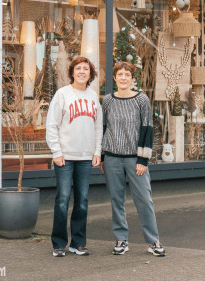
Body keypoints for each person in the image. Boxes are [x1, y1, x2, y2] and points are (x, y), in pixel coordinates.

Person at [101, 62, 166, 257]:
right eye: (119, 74)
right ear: (114, 78)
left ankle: (153, 241)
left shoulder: (141, 100)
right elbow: (104, 129)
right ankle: (121, 239)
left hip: (135, 160)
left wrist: (143, 160)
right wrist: (104, 157)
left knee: (144, 199)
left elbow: (147, 129)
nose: (123, 77)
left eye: (126, 74)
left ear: (132, 78)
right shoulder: (108, 101)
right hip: (112, 158)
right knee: (116, 200)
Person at [46, 56, 102, 257]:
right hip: (65, 157)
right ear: (72, 72)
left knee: (82, 200)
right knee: (62, 199)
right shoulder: (62, 94)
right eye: (78, 68)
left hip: (86, 157)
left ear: (90, 74)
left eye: (85, 69)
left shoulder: (93, 96)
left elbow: (98, 126)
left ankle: (77, 243)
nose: (82, 71)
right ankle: (59, 243)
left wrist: (97, 152)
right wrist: (56, 152)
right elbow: (52, 125)